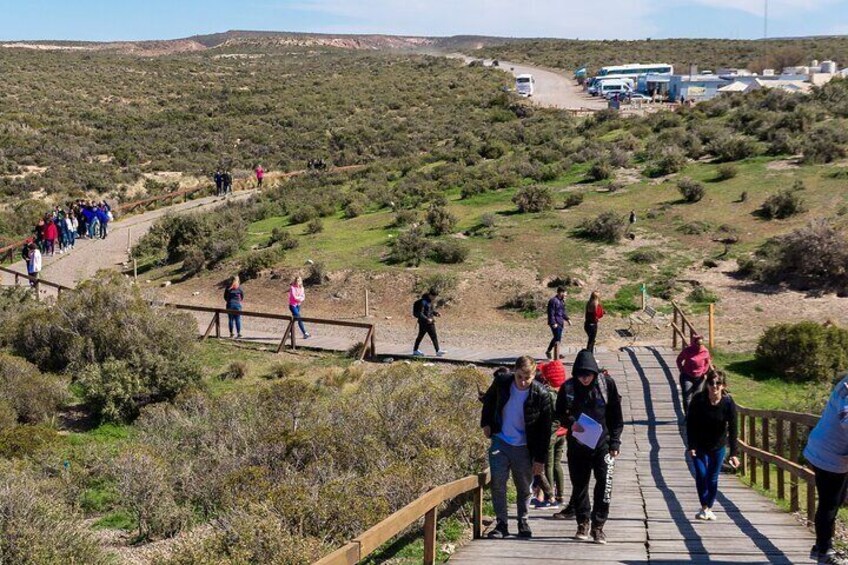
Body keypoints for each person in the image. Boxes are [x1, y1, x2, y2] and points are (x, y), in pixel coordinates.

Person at [480, 356, 553, 539]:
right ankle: (502, 524)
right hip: (501, 440)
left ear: (534, 374)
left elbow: (545, 431)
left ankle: (523, 520)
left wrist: (540, 460)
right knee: (498, 484)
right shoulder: (502, 381)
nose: (522, 382)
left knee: (524, 487)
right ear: (514, 371)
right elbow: (488, 400)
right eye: (519, 376)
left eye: (527, 378)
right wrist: (486, 423)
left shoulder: (542, 394)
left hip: (525, 446)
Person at [555, 349, 623, 544]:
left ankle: (598, 526)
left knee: (604, 484)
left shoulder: (606, 384)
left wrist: (615, 442)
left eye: (588, 374)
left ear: (595, 372)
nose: (585, 379)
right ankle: (582, 522)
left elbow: (616, 416)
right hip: (578, 444)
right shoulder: (568, 388)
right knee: (579, 485)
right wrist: (571, 422)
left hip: (603, 444)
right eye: (581, 375)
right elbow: (559, 412)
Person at [803, 375, 848, 565]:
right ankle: (824, 551)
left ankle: (820, 546)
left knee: (834, 501)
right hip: (828, 454)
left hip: (832, 451)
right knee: (829, 503)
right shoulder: (846, 388)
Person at [686, 370, 739, 521]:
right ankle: (704, 507)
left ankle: (708, 507)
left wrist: (734, 453)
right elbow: (690, 424)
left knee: (712, 478)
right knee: (701, 475)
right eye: (711, 383)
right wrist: (691, 446)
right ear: (707, 384)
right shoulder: (698, 400)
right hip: (699, 444)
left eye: (718, 384)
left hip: (718, 445)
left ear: (723, 386)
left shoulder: (728, 403)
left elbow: (734, 428)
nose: (714, 386)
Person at [539, 359, 572, 513]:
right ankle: (561, 495)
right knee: (558, 464)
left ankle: (549, 496)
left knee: (548, 465)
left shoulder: (549, 394)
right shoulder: (565, 391)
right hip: (563, 432)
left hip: (551, 434)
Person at [677, 334, 713, 414]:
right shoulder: (688, 350)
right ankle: (688, 415)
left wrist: (704, 372)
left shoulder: (705, 351)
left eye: (701, 344)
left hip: (699, 377)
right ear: (694, 343)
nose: (699, 346)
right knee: (687, 397)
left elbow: (707, 362)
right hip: (687, 376)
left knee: (697, 397)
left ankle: (696, 415)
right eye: (697, 344)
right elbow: (679, 359)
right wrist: (681, 369)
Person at [412, 290, 444, 356]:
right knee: (433, 336)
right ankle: (437, 351)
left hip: (427, 321)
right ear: (430, 295)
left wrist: (436, 313)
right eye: (433, 296)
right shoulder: (423, 302)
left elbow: (430, 311)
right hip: (426, 322)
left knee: (421, 336)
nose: (434, 298)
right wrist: (427, 319)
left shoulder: (429, 301)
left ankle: (415, 350)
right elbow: (420, 313)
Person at [545, 287, 571, 359]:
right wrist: (553, 323)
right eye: (565, 293)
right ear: (561, 292)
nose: (566, 295)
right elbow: (551, 313)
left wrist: (567, 319)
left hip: (560, 322)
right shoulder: (553, 301)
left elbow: (562, 312)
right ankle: (556, 354)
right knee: (557, 338)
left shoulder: (561, 301)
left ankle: (549, 351)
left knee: (557, 337)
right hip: (555, 322)